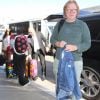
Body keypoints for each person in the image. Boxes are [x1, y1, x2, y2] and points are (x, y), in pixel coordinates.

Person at [50, 0, 91, 99]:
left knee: (72, 89)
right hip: (59, 61)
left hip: (75, 63)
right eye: (69, 9)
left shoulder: (82, 25)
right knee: (60, 87)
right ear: (65, 11)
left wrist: (76, 47)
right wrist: (58, 43)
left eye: (74, 9)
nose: (71, 12)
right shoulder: (60, 24)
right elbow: (52, 39)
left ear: (77, 11)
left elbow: (87, 43)